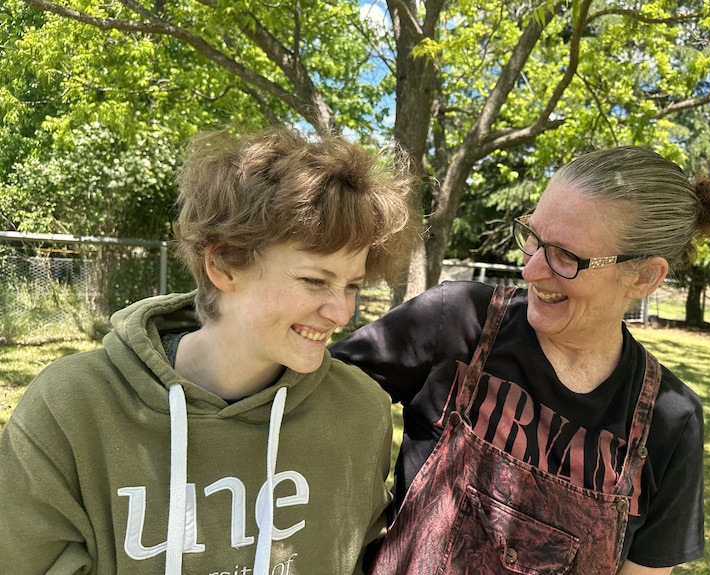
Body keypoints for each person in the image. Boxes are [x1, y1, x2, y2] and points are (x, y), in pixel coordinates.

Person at [0, 126, 422, 575]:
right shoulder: (71, 408)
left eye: (352, 285)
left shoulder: (360, 411)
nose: (341, 311)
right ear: (222, 263)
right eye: (314, 280)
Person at [330, 146, 710, 575]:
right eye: (533, 237)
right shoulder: (458, 323)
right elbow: (303, 401)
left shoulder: (670, 420)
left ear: (644, 277)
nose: (530, 270)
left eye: (566, 256)